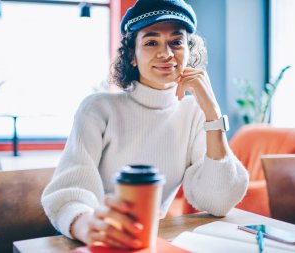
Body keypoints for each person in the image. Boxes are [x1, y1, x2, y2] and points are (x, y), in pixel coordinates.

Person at [42, 0, 249, 250]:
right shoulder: (97, 108)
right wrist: (88, 226)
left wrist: (213, 114)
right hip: (92, 241)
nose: (166, 53)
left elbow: (218, 201)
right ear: (132, 56)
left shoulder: (194, 113)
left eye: (176, 41)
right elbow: (69, 191)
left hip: (149, 242)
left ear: (188, 51)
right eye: (151, 42)